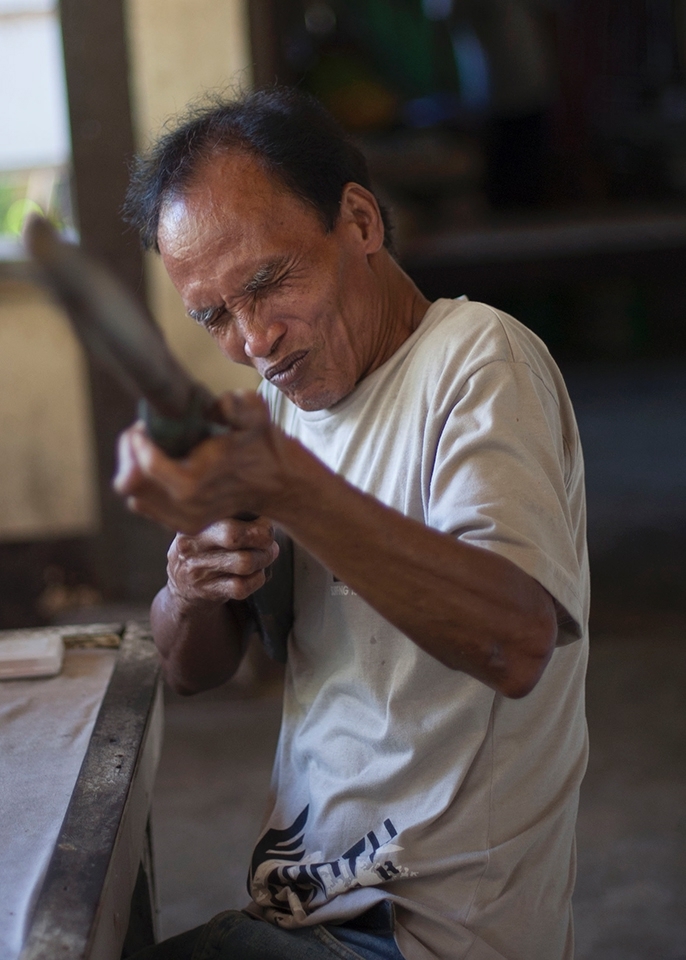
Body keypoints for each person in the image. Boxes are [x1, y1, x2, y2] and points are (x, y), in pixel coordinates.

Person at [116, 87, 589, 960]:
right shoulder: (282, 403)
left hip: (423, 933)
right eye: (214, 315)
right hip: (307, 903)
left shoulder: (477, 360)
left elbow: (517, 644)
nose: (255, 338)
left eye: (268, 281)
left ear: (361, 222)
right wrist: (192, 586)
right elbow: (191, 672)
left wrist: (290, 487)